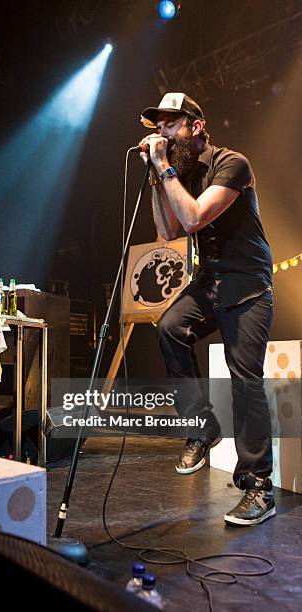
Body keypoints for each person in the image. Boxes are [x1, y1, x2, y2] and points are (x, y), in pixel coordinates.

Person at [138, 92, 274, 526]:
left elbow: (195, 217)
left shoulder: (233, 163)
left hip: (249, 284)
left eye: (170, 124)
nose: (161, 133)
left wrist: (163, 168)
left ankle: (258, 488)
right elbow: (170, 230)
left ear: (196, 126)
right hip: (211, 283)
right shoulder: (184, 173)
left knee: (244, 377)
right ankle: (201, 426)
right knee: (169, 327)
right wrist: (161, 179)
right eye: (157, 126)